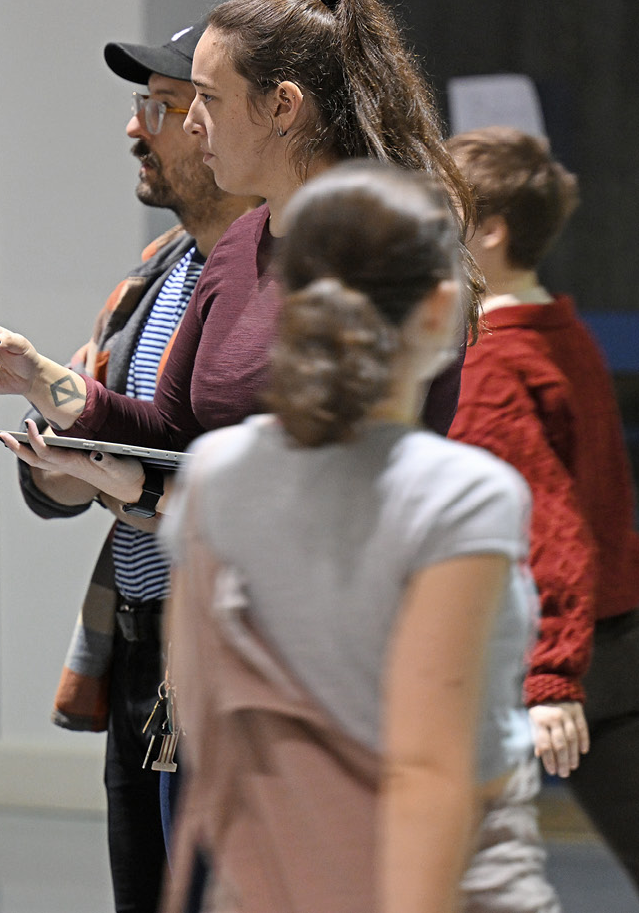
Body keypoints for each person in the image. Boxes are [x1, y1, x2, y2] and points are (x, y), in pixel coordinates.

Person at [160, 161, 536, 913]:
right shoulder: (459, 494)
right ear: (438, 308)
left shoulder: (215, 475)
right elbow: (428, 770)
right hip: (451, 883)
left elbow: (198, 707)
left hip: (267, 877)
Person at [0, 0, 478, 483]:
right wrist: (39, 378)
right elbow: (171, 433)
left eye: (208, 97)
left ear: (283, 106)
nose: (191, 123)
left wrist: (146, 496)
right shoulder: (239, 243)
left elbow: (346, 484)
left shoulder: (387, 256)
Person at [19, 22, 257, 913]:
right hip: (140, 631)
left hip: (231, 631)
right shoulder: (148, 278)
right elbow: (79, 473)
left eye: (160, 108)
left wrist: (122, 471)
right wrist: (55, 457)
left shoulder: (270, 283)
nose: (137, 131)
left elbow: (232, 469)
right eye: (141, 107)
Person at [447, 126, 639, 897]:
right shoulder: (560, 330)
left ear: (489, 233)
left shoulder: (496, 365)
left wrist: (553, 678)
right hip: (612, 634)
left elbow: (552, 525)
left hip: (568, 649)